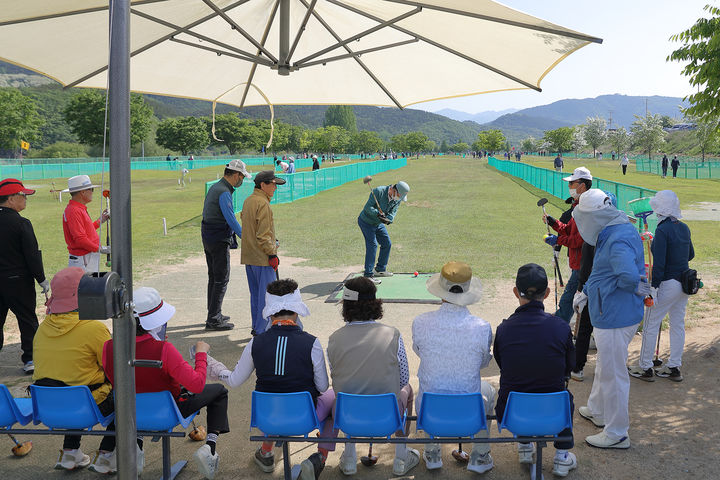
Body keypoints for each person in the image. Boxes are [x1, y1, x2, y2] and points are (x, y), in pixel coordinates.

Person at [207, 279, 333, 480]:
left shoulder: (255, 343)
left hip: (267, 419)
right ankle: (320, 457)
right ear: (297, 311)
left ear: (270, 312)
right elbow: (322, 386)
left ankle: (266, 452)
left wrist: (214, 367)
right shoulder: (312, 343)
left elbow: (234, 380)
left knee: (275, 393)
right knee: (333, 396)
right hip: (305, 420)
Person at [103, 287, 230, 480]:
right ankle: (210, 448)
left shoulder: (109, 346)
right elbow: (196, 384)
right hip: (168, 412)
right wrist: (201, 354)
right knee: (219, 391)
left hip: (129, 412)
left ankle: (136, 448)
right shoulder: (164, 349)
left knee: (139, 391)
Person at [572, 189, 646, 449]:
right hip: (609, 311)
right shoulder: (612, 230)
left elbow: (626, 276)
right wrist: (587, 291)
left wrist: (598, 292)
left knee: (614, 374)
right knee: (605, 364)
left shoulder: (617, 238)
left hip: (616, 314)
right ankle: (598, 410)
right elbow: (602, 269)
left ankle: (617, 433)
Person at [327, 277, 418, 476]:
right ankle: (401, 456)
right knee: (408, 389)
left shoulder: (334, 339)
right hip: (386, 414)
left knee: (344, 393)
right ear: (375, 303)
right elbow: (402, 380)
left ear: (346, 306)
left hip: (349, 415)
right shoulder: (392, 334)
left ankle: (349, 456)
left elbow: (337, 376)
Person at [411, 261, 495, 474]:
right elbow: (483, 363)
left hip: (431, 409)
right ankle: (480, 456)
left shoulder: (420, 322)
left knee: (426, 388)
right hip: (468, 410)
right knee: (488, 392)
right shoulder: (482, 327)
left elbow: (420, 352)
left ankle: (432, 452)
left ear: (441, 289)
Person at [494, 263, 577, 477]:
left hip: (513, 413)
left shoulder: (504, 329)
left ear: (516, 292)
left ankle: (524, 444)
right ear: (547, 293)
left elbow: (503, 364)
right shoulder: (560, 327)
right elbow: (570, 366)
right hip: (553, 412)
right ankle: (561, 457)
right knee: (565, 396)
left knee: (519, 384)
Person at [32, 267, 117, 472]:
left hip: (48, 408)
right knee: (123, 392)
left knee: (73, 385)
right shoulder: (94, 328)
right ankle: (106, 454)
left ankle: (70, 452)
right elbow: (115, 368)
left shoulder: (42, 328)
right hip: (84, 407)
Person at [628, 190, 694, 382]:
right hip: (684, 284)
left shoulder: (663, 230)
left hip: (667, 283)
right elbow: (690, 255)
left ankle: (645, 367)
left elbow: (660, 264)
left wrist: (654, 289)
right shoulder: (684, 228)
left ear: (661, 209)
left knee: (650, 324)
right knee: (677, 325)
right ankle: (674, 366)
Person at [0, 178, 48, 374]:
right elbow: (31, 255)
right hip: (17, 280)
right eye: (23, 196)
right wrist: (42, 279)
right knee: (27, 319)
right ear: (11, 199)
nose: (25, 199)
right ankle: (30, 359)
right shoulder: (21, 223)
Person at [201, 160, 252, 331]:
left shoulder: (216, 187)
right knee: (221, 279)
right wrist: (247, 237)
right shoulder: (224, 192)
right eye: (242, 177)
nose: (242, 180)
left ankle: (213, 313)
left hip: (208, 237)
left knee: (214, 278)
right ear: (236, 175)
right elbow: (231, 218)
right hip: (218, 239)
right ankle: (214, 319)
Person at [543, 167, 592, 323]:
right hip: (578, 263)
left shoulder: (587, 209)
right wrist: (554, 222)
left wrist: (558, 241)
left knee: (568, 299)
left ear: (582, 186)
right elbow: (568, 230)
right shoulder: (577, 207)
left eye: (572, 183)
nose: (569, 187)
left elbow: (578, 240)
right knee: (575, 298)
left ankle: (558, 326)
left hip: (584, 264)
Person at [241, 171, 286, 335]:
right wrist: (272, 253)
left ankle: (257, 327)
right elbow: (263, 235)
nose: (275, 187)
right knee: (267, 297)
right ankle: (263, 330)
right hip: (262, 258)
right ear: (262, 185)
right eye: (272, 184)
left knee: (256, 297)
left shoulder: (248, 201)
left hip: (250, 257)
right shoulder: (263, 203)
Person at [357, 181, 410, 284]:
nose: (399, 198)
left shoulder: (397, 199)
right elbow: (367, 208)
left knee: (387, 243)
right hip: (366, 222)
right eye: (399, 195)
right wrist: (377, 214)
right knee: (372, 245)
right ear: (394, 190)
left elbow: (393, 212)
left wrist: (388, 219)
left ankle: (380, 269)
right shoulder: (378, 191)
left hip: (378, 223)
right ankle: (368, 275)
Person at [62, 175, 110, 272]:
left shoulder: (77, 208)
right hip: (83, 260)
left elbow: (86, 230)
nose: (92, 192)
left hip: (86, 258)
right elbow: (80, 239)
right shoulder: (74, 210)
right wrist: (101, 249)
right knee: (88, 286)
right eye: (91, 189)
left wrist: (101, 220)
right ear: (83, 192)